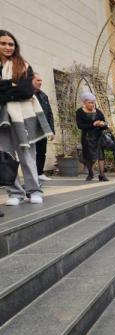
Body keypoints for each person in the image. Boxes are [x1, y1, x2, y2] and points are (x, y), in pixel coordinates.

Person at [0, 30, 52, 206]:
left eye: (11, 44)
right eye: (3, 43)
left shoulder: (23, 66)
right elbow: (18, 90)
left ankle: (34, 190)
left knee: (27, 154)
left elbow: (27, 91)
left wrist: (4, 89)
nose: (8, 47)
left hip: (22, 117)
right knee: (5, 155)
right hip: (1, 119)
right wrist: (12, 85)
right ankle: (15, 193)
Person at [75, 92, 109, 181]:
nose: (92, 104)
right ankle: (90, 173)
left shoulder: (98, 112)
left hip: (98, 136)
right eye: (89, 102)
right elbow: (80, 126)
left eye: (93, 102)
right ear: (84, 103)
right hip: (87, 137)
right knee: (89, 157)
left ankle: (102, 175)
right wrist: (93, 124)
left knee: (101, 156)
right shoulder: (79, 112)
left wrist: (103, 124)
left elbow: (104, 124)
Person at [32, 73, 54, 181]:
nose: (40, 83)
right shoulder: (27, 95)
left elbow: (49, 114)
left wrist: (51, 130)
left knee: (41, 152)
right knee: (31, 152)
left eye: (41, 80)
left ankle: (40, 173)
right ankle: (32, 174)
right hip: (31, 128)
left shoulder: (44, 96)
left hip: (42, 129)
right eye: (38, 80)